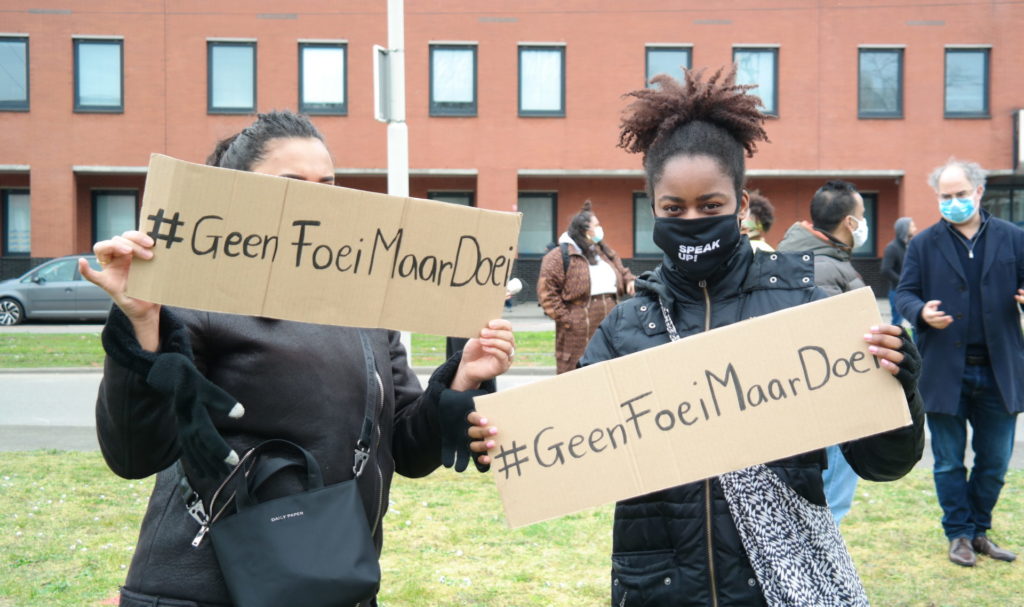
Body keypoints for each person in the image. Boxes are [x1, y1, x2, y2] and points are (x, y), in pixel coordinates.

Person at [520, 67, 924, 606]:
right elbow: (569, 455)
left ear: (740, 204)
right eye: (673, 209)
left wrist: (902, 390)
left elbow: (884, 463)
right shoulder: (624, 326)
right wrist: (495, 432)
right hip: (659, 589)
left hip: (774, 584)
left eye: (710, 206)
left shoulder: (805, 309)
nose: (691, 220)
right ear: (654, 208)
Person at [80, 111, 515, 607]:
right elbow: (134, 453)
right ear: (240, 192)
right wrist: (141, 323)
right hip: (207, 588)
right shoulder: (198, 295)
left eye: (328, 184)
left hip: (328, 580)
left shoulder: (363, 302)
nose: (317, 198)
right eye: (292, 184)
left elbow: (406, 449)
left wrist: (462, 377)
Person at [895, 158, 1024, 567]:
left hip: (1000, 369)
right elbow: (903, 294)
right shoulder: (924, 243)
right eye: (945, 197)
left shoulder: (1013, 237)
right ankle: (959, 535)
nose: (953, 203)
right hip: (944, 371)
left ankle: (979, 530)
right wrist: (920, 313)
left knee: (995, 462)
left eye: (960, 195)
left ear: (978, 192)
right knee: (949, 462)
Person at [776, 179, 869, 525]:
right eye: (861, 215)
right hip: (832, 402)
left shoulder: (790, 257)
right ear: (849, 222)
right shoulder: (827, 269)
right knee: (829, 503)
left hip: (794, 401)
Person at [536, 200, 636, 374]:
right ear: (584, 230)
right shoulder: (559, 256)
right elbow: (547, 292)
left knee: (607, 371)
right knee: (576, 373)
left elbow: (622, 271)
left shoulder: (603, 252)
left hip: (609, 321)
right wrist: (568, 320)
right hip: (577, 328)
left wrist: (630, 281)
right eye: (596, 225)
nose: (600, 229)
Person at [880, 217, 917, 327]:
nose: (915, 228)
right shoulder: (892, 248)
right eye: (912, 226)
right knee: (897, 323)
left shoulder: (911, 246)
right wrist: (902, 281)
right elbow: (885, 270)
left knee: (916, 323)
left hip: (912, 291)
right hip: (897, 291)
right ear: (905, 229)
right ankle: (894, 344)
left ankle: (916, 345)